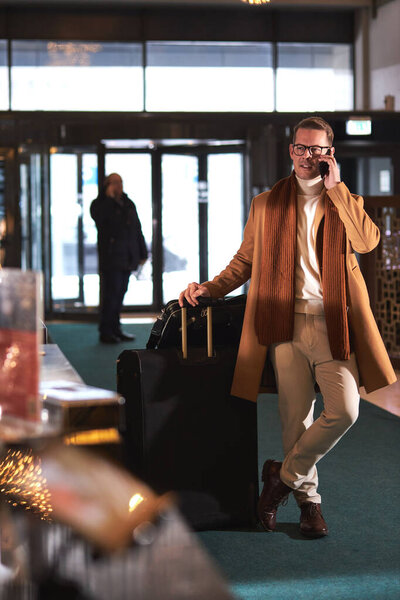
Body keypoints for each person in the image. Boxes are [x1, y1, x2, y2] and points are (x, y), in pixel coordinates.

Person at [179, 116, 396, 538]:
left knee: (346, 410)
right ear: (291, 150)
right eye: (301, 147)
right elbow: (245, 261)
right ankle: (309, 503)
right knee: (295, 420)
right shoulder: (267, 203)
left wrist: (337, 189)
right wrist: (209, 287)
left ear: (329, 154)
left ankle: (283, 476)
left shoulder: (344, 200)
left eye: (317, 149)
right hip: (284, 325)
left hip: (334, 323)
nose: (307, 156)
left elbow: (368, 242)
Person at [90, 173, 148, 344]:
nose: (118, 186)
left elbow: (138, 229)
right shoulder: (100, 204)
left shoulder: (128, 203)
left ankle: (116, 329)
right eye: (114, 183)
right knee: (111, 295)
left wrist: (143, 253)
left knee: (121, 293)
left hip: (127, 257)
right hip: (111, 258)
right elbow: (102, 222)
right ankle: (106, 331)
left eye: (120, 182)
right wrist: (110, 199)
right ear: (107, 185)